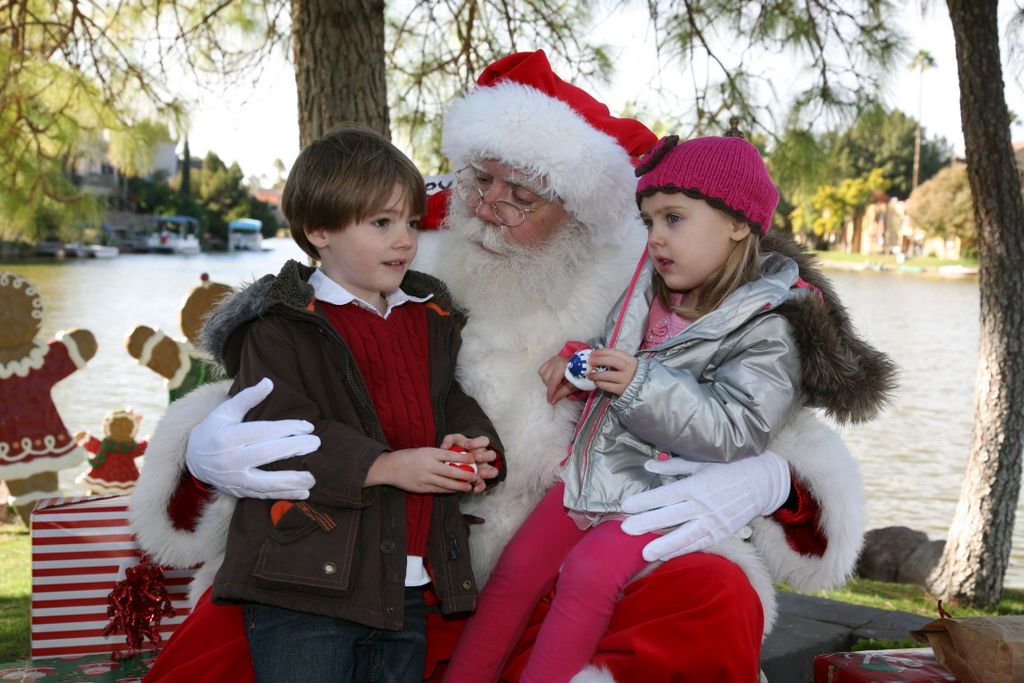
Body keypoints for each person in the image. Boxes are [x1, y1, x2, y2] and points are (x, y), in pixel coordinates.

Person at [132, 51, 894, 682]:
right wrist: (203, 456)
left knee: (713, 593)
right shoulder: (407, 250)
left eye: (520, 192)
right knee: (225, 638)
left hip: (579, 571)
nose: (488, 204)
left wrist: (770, 480)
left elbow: (771, 406)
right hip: (393, 566)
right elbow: (291, 363)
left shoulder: (651, 269)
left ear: (581, 207)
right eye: (479, 179)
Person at [445, 132, 813, 682]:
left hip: (666, 492)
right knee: (516, 571)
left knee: (591, 574)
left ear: (738, 223)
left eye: (675, 219)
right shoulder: (652, 289)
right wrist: (581, 363)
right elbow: (615, 351)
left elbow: (738, 427)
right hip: (596, 469)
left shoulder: (768, 328)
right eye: (649, 222)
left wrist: (637, 382)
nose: (657, 238)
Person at [180, 123, 506, 682]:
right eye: (381, 223)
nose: (404, 239)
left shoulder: (426, 316)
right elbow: (275, 429)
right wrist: (383, 465)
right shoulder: (282, 326)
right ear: (319, 230)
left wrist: (473, 443)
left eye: (411, 222)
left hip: (404, 578)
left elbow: (446, 396)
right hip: (304, 581)